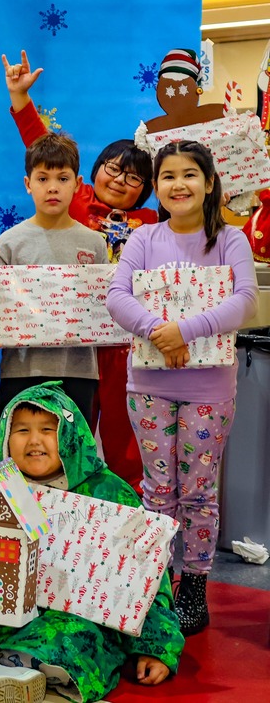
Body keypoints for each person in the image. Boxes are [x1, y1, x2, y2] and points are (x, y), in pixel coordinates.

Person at [0, 383, 183, 703]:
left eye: (48, 429)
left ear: (70, 435)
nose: (34, 440)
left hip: (52, 624)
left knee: (76, 639)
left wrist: (156, 649)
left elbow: (147, 579)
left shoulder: (109, 492)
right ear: (5, 435)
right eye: (22, 430)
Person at [107, 140, 258, 636]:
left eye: (190, 174)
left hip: (209, 388)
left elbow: (245, 302)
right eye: (167, 175)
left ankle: (192, 584)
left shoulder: (230, 240)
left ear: (209, 182)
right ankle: (154, 581)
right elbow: (117, 297)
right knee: (158, 490)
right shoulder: (144, 240)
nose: (179, 184)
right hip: (148, 383)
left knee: (197, 490)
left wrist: (184, 332)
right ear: (158, 185)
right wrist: (157, 331)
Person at [1, 49, 157, 493]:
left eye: (134, 178)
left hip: (124, 342)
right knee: (58, 430)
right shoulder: (78, 200)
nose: (122, 181)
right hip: (67, 345)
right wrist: (19, 99)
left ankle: (126, 507)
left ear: (146, 190)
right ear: (93, 173)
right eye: (114, 169)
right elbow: (42, 149)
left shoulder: (151, 227)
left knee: (124, 436)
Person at [0, 133, 107, 425]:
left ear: (78, 185)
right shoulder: (10, 242)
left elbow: (104, 307)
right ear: (27, 184)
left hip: (79, 372)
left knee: (74, 456)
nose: (53, 187)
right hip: (21, 372)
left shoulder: (94, 244)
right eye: (42, 178)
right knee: (19, 454)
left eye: (63, 178)